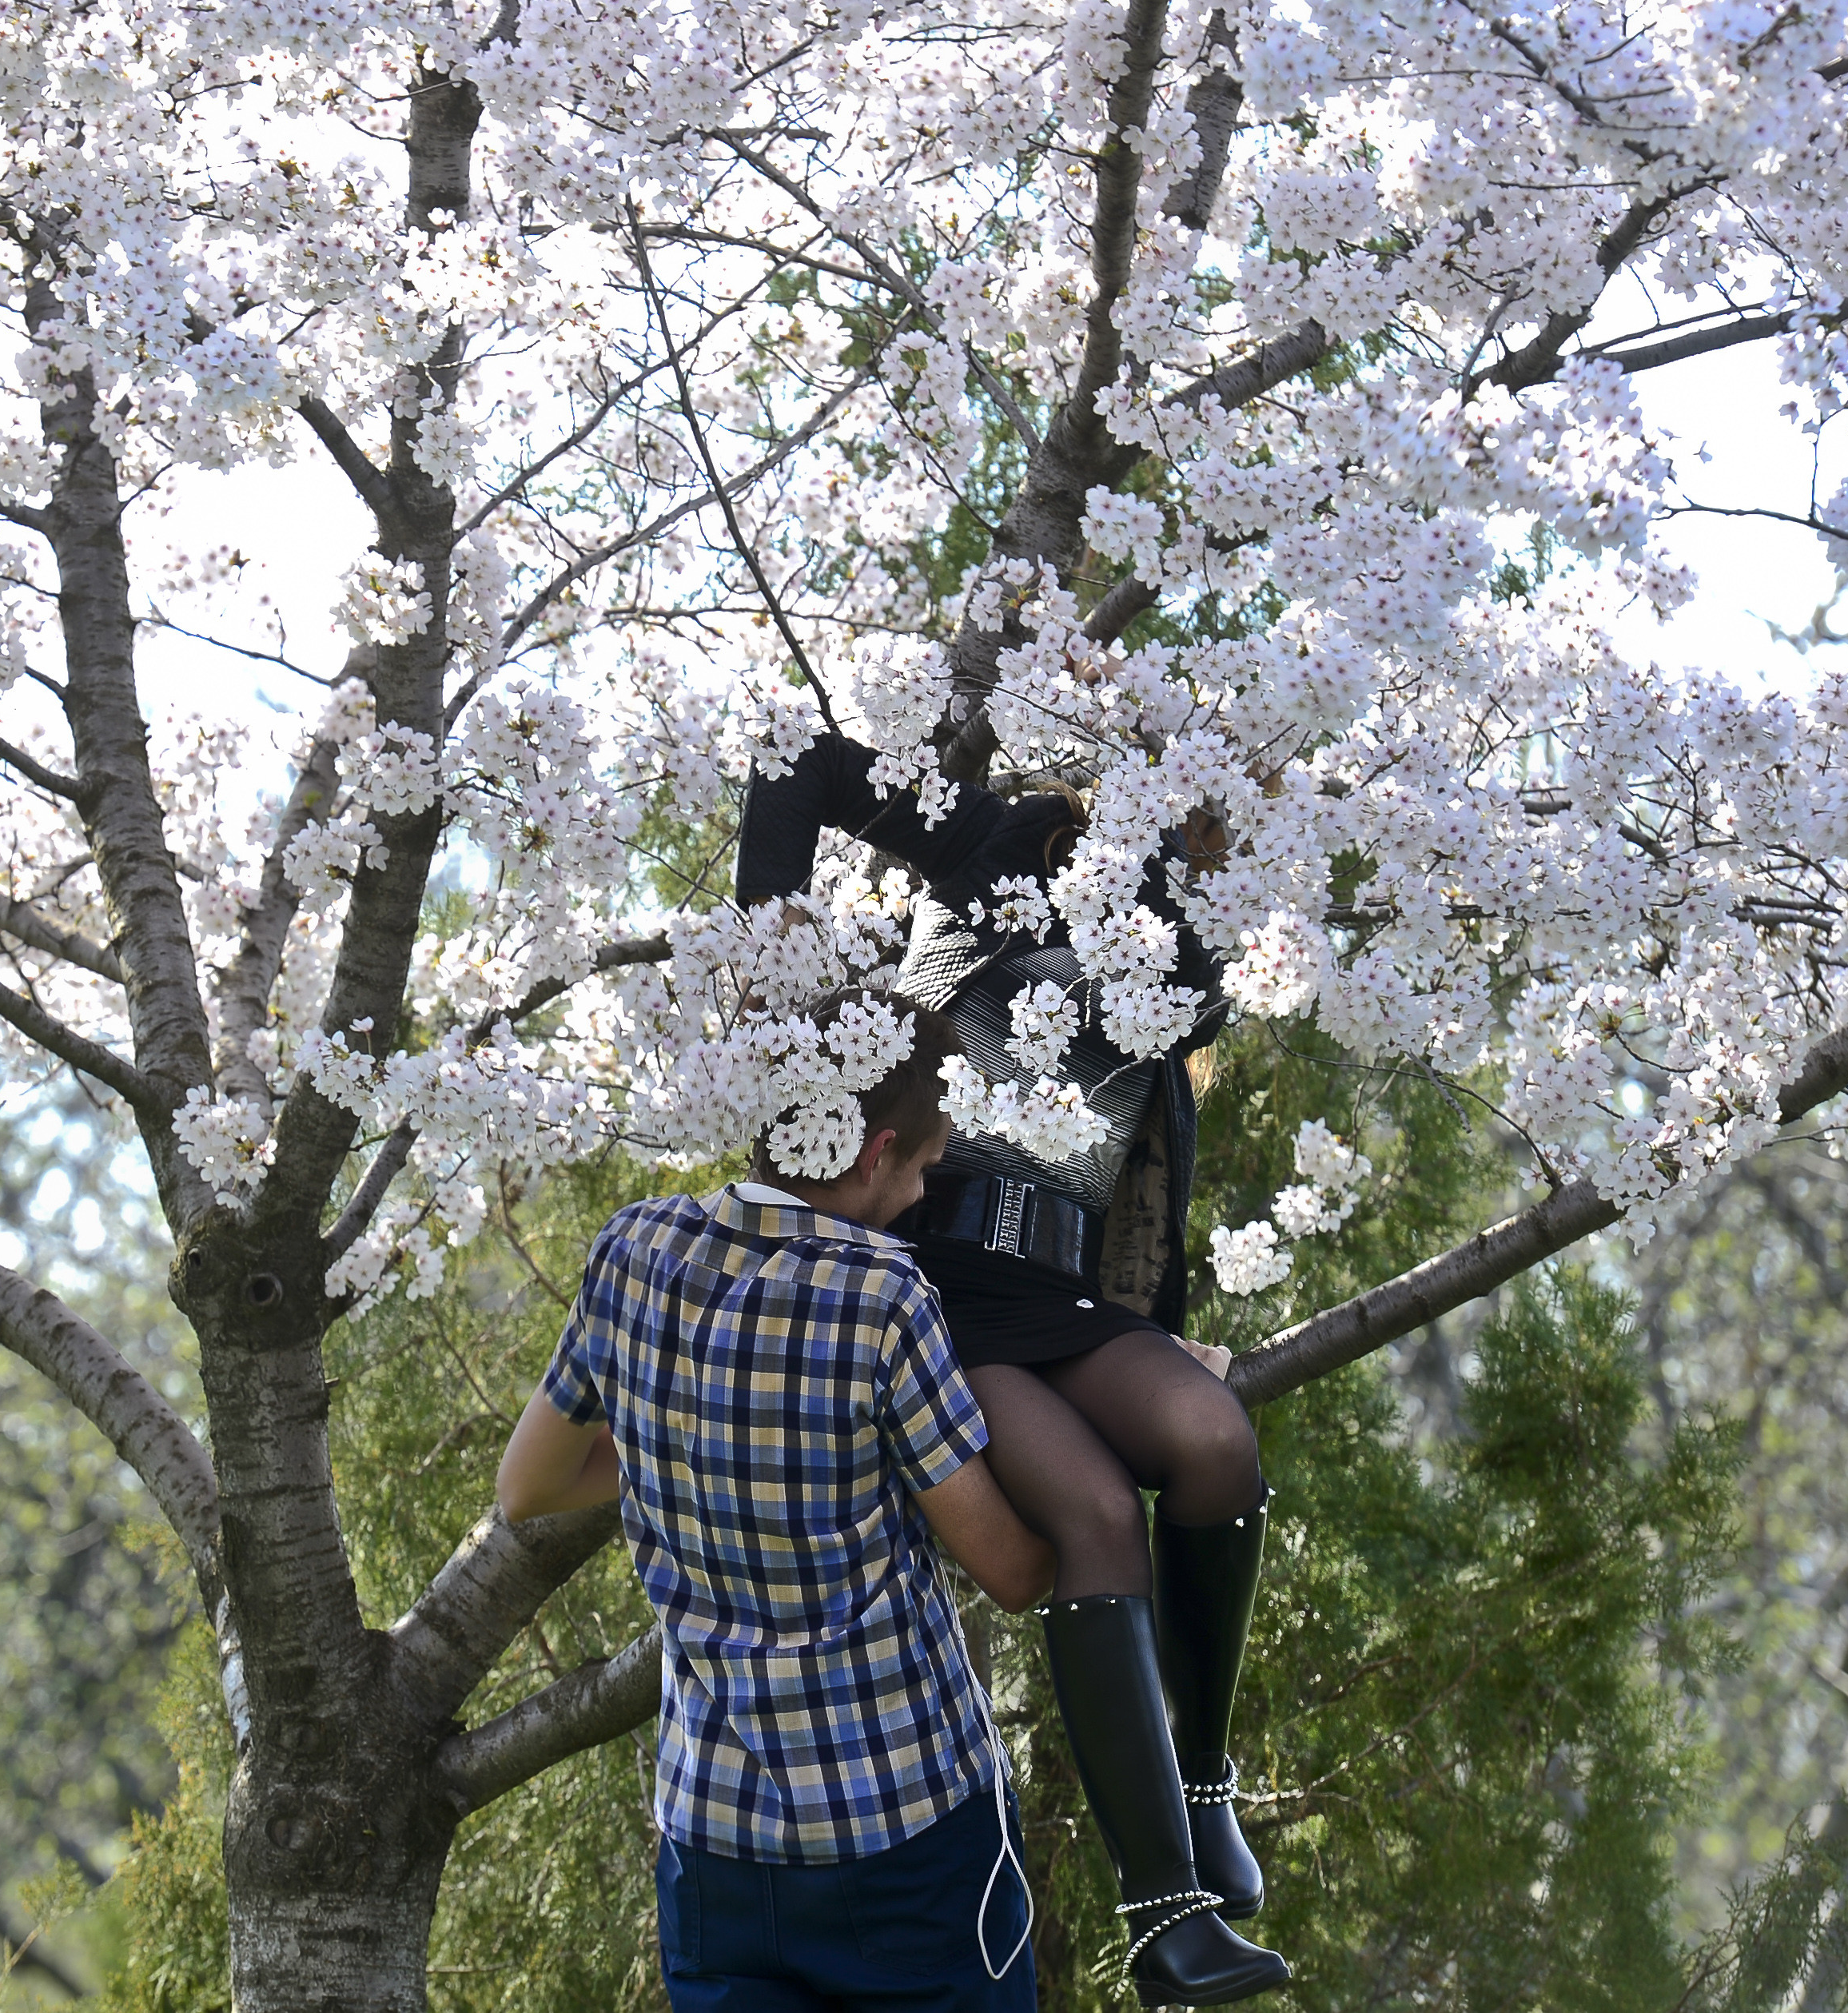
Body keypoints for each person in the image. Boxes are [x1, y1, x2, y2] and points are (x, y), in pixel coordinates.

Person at [734, 732, 1291, 2008]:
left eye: (1261, 826)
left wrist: (1155, 1315)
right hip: (922, 1279)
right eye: (1224, 795)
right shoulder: (1011, 840)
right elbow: (799, 766)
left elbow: (1136, 1156)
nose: (1233, 828)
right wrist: (764, 973)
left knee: (1211, 1444)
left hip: (1058, 1291)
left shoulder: (1206, 962)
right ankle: (1165, 1920)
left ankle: (1202, 1786)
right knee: (1094, 1515)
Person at [495, 990, 1051, 2013]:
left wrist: (692, 1436)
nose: (922, 1192)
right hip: (907, 1835)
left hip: (716, 1840)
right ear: (876, 1147)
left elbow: (526, 1484)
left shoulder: (633, 1247)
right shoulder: (883, 1292)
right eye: (925, 1167)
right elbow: (1011, 1570)